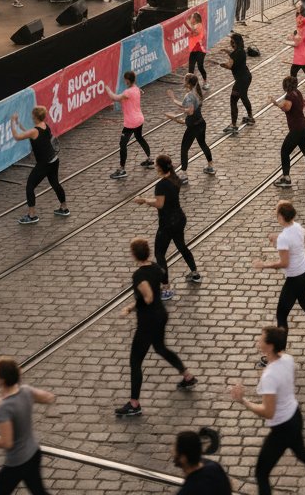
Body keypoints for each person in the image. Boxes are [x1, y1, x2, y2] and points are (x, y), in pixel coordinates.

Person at [229, 325, 305, 495]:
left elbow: (268, 412)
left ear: (270, 346)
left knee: (261, 473)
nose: (258, 341)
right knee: (301, 453)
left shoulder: (269, 376)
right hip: (295, 415)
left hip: (282, 428)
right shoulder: (288, 359)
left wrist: (243, 401)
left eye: (261, 338)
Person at [114, 236, 197, 417]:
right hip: (161, 315)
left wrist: (134, 305)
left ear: (134, 255)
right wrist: (131, 306)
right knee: (160, 348)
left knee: (135, 361)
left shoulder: (138, 275)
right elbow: (158, 283)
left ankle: (134, 404)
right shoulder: (156, 268)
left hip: (148, 321)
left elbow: (148, 296)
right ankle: (187, 376)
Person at [0, 357, 56, 495]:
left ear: (2, 380)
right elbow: (47, 397)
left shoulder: (4, 408)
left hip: (17, 462)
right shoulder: (25, 391)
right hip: (33, 453)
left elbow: (6, 442)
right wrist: (0, 402)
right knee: (39, 492)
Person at [253, 201, 305, 355]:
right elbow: (296, 241)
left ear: (281, 217)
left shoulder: (284, 237)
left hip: (295, 278)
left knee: (281, 315)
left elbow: (284, 263)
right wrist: (279, 238)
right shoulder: (297, 227)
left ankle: (278, 354)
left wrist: (264, 265)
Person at [134, 156, 201, 300]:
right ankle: (194, 272)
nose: (155, 167)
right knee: (181, 246)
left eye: (156, 165)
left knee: (160, 254)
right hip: (179, 218)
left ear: (159, 167)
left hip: (167, 223)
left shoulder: (161, 185)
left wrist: (144, 200)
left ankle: (165, 288)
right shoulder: (175, 178)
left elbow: (159, 204)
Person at [11, 107, 70, 220]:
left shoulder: (34, 131)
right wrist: (19, 124)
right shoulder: (44, 125)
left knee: (30, 186)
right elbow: (29, 133)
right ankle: (64, 208)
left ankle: (32, 215)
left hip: (44, 163)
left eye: (32, 115)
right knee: (55, 183)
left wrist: (12, 121)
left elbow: (17, 137)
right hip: (54, 160)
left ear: (35, 117)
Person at [269, 76, 305, 189]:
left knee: (285, 151)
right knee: (304, 147)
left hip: (296, 128)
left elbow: (286, 108)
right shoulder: (297, 92)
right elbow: (302, 102)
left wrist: (276, 103)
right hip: (304, 126)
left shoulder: (289, 95)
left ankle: (286, 178)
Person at [166, 75, 215, 184]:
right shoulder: (197, 92)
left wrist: (177, 115)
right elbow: (188, 106)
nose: (183, 81)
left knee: (184, 148)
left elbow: (190, 111)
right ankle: (210, 166)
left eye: (185, 80)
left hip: (193, 126)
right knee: (203, 144)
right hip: (201, 123)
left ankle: (183, 174)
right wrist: (174, 100)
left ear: (188, 83)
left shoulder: (189, 96)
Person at [105, 71, 153, 179]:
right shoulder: (136, 89)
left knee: (123, 145)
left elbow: (114, 98)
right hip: (139, 119)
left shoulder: (128, 92)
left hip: (130, 123)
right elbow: (140, 92)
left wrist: (107, 88)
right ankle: (149, 159)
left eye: (124, 79)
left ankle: (122, 170)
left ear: (127, 80)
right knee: (139, 138)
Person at [172, 429, 232, 494]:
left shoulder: (188, 491)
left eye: (175, 449)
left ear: (183, 458)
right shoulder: (215, 467)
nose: (171, 451)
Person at [221, 32, 255, 135]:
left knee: (233, 100)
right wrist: (228, 52)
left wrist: (222, 65)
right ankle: (250, 117)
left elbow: (229, 65)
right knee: (244, 97)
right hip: (246, 77)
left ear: (234, 42)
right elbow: (234, 55)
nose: (231, 43)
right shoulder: (241, 51)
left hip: (240, 80)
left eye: (232, 41)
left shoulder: (235, 54)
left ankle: (233, 125)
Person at [287, 8, 305, 93]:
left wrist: (287, 43)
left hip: (301, 56)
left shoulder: (302, 30)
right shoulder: (304, 28)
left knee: (293, 72)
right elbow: (297, 36)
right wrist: (292, 36)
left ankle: (294, 89)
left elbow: (297, 44)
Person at [186, 12, 209, 88]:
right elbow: (188, 34)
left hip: (201, 50)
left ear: (195, 19)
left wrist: (185, 24)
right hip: (193, 50)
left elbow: (195, 31)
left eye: (191, 18)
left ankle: (205, 82)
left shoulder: (199, 25)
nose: (190, 19)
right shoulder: (193, 26)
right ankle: (191, 85)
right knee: (190, 69)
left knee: (200, 67)